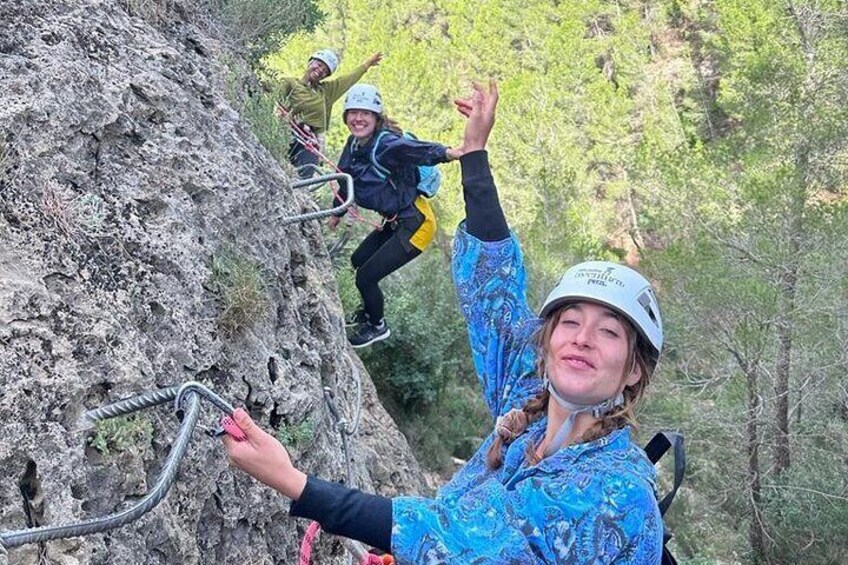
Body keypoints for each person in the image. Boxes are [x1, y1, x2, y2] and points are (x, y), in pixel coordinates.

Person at [223, 82, 665, 563]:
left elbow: (465, 541)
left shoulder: (617, 494)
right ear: (547, 340)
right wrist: (474, 154)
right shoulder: (526, 399)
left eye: (608, 331)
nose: (582, 339)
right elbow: (493, 289)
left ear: (635, 368)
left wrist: (294, 483)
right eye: (570, 322)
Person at [328, 83, 461, 348]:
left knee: (366, 277)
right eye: (352, 112)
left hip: (417, 224)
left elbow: (415, 150)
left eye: (365, 113)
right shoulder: (354, 144)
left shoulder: (385, 143)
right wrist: (337, 211)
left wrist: (448, 153)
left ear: (376, 117)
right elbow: (345, 178)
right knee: (359, 259)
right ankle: (368, 312)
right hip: (394, 220)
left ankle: (377, 326)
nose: (358, 118)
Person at [276, 49, 383, 178]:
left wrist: (367, 64)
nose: (321, 70)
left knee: (303, 179)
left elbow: (347, 80)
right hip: (285, 132)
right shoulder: (290, 83)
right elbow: (274, 100)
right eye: (320, 65)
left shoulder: (325, 92)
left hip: (308, 142)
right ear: (310, 62)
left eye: (325, 71)